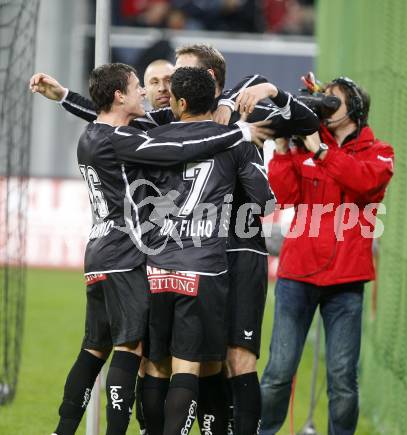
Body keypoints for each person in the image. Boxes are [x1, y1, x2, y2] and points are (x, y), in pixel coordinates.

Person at [30, 45, 319, 435]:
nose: (164, 88)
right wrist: (242, 140)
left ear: (210, 79)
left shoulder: (241, 102)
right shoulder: (185, 127)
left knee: (218, 359)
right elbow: (112, 124)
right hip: (208, 258)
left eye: (176, 76)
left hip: (193, 256)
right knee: (191, 360)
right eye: (154, 82)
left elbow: (308, 117)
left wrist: (273, 92)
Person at [256, 75, 394, 435]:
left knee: (343, 380)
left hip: (347, 282)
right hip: (296, 275)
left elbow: (365, 182)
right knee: (277, 373)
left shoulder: (379, 152)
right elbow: (284, 196)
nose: (325, 105)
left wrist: (321, 152)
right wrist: (284, 149)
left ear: (356, 110)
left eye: (334, 100)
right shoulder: (305, 146)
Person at [140, 65, 274, 435]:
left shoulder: (154, 138)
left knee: (154, 366)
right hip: (204, 270)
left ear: (178, 102)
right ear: (215, 99)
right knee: (196, 367)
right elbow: (264, 203)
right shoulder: (236, 142)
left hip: (157, 266)